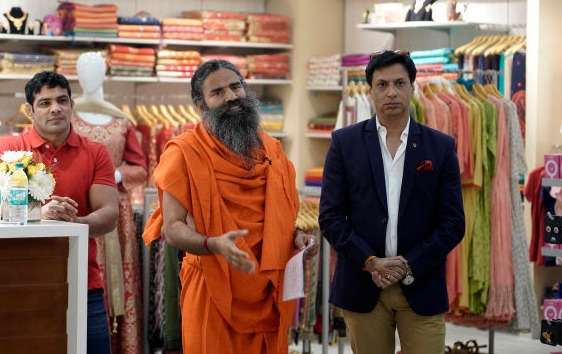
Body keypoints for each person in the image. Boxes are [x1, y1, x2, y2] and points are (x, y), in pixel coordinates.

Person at [142, 59, 319, 353]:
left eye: (236, 87)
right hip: (213, 287)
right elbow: (172, 230)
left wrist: (298, 238)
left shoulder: (273, 150)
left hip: (267, 292)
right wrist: (213, 244)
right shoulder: (184, 152)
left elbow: (279, 221)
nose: (231, 97)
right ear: (201, 105)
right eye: (218, 93)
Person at [318, 50, 465, 354]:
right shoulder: (345, 143)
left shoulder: (440, 146)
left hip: (421, 284)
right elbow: (331, 217)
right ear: (370, 91)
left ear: (413, 87)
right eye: (382, 85)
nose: (391, 92)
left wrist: (409, 266)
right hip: (363, 284)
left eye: (399, 83)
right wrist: (370, 262)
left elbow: (452, 223)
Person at [0, 70, 119, 354]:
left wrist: (75, 222)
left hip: (84, 283)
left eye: (62, 100)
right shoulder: (10, 148)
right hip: (22, 284)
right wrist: (40, 214)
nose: (56, 108)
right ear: (29, 110)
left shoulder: (96, 152)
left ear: (72, 105)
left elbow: (109, 213)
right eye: (45, 103)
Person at [73, 51, 147, 352]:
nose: (88, 77)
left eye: (95, 70)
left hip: (115, 215)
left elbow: (141, 168)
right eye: (83, 70)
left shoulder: (120, 120)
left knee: (117, 280)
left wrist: (114, 175)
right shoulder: (68, 115)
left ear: (105, 72)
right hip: (80, 207)